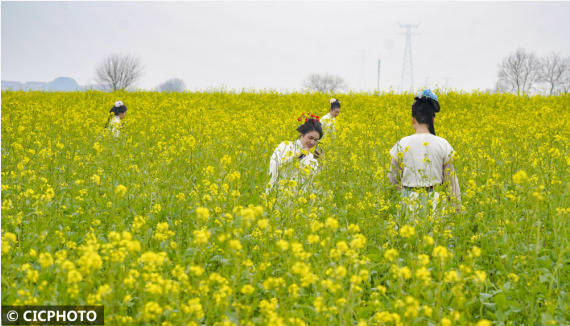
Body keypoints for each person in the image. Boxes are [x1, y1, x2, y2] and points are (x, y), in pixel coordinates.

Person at [387, 89, 461, 214]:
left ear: (412, 120)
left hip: (408, 205)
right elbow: (452, 185)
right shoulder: (443, 144)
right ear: (433, 120)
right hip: (435, 205)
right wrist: (458, 211)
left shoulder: (401, 144)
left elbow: (391, 181)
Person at [267, 115, 324, 194]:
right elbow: (275, 166)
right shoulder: (285, 145)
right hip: (278, 193)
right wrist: (298, 157)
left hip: (297, 200)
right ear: (302, 134)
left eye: (316, 140)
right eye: (310, 138)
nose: (312, 142)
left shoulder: (312, 158)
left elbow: (313, 182)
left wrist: (320, 162)